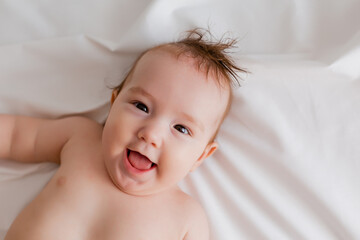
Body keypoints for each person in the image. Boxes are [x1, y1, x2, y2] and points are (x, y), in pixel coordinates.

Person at [0, 28, 245, 239]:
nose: (151, 134)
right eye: (141, 106)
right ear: (114, 103)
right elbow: (15, 136)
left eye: (181, 128)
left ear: (201, 156)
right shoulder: (80, 139)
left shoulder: (186, 217)